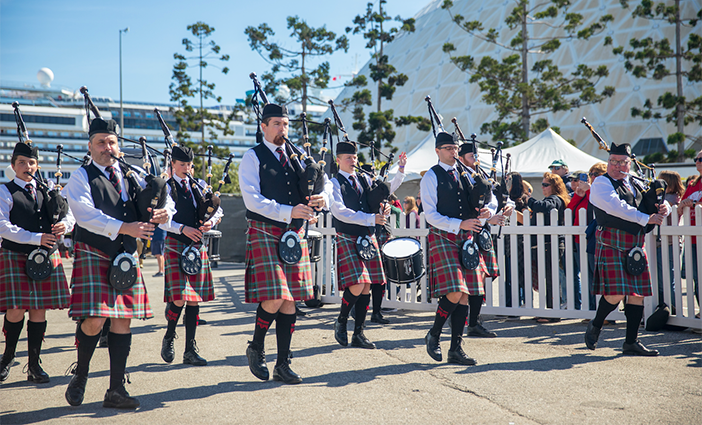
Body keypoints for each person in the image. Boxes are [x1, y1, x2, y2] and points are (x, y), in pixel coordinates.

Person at [62, 118, 174, 408]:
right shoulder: (81, 176)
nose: (107, 148)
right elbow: (84, 215)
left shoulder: (131, 174)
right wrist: (126, 228)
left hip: (125, 256)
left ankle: (115, 391)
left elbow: (164, 196)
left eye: (111, 142)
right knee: (96, 320)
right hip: (94, 251)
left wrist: (164, 213)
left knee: (122, 320)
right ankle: (82, 374)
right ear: (90, 146)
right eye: (101, 142)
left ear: (118, 147)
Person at [239, 103, 329, 384]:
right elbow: (252, 199)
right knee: (277, 295)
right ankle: (256, 346)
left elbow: (316, 187)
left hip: (295, 232)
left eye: (285, 124)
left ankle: (283, 363)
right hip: (266, 230)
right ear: (263, 127)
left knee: (290, 301)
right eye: (276, 124)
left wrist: (321, 200)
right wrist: (287, 211)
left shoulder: (298, 157)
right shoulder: (252, 157)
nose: (282, 129)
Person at [584, 142, 669, 356]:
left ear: (629, 163)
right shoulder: (602, 183)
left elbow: (649, 203)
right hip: (612, 240)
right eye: (612, 161)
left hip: (634, 242)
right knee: (615, 294)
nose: (616, 165)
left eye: (621, 162)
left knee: (637, 293)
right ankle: (596, 324)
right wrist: (645, 218)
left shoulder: (634, 182)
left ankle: (631, 342)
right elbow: (617, 207)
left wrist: (663, 207)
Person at [0, 143, 75, 384]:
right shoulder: (5, 190)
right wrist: (35, 238)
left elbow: (68, 212)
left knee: (38, 311)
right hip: (16, 254)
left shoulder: (48, 189)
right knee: (15, 309)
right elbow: (3, 226)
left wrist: (67, 225)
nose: (27, 167)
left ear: (37, 166)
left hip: (46, 255)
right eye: (22, 163)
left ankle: (34, 364)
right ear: (13, 166)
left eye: (31, 163)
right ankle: (8, 357)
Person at [420, 132, 493, 366]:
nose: (453, 152)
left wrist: (487, 211)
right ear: (438, 151)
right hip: (444, 235)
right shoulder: (431, 176)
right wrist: (457, 224)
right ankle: (434, 333)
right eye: (448, 148)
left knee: (465, 295)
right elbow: (430, 214)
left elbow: (489, 198)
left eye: (455, 148)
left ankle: (455, 349)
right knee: (454, 291)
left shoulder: (468, 173)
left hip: (467, 236)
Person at [159, 145, 223, 367]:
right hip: (177, 243)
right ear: (173, 166)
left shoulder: (201, 186)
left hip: (196, 246)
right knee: (179, 298)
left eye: (189, 165)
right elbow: (162, 220)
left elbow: (218, 211)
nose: (187, 169)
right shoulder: (165, 188)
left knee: (194, 298)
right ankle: (169, 336)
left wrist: (209, 222)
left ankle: (190, 349)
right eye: (182, 165)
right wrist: (182, 228)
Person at [331, 140, 389, 349]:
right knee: (357, 284)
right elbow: (339, 211)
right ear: (338, 160)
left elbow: (377, 199)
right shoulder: (334, 183)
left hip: (367, 236)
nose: (353, 161)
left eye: (355, 157)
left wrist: (383, 209)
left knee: (367, 286)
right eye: (348, 157)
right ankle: (341, 320)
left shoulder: (364, 178)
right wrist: (370, 219)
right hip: (348, 235)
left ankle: (359, 334)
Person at [456, 141, 502, 337]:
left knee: (479, 279)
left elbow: (493, 199)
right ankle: (460, 320)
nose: (475, 159)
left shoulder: (480, 174)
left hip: (480, 231)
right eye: (471, 156)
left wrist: (489, 212)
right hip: (464, 231)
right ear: (461, 157)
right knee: (464, 283)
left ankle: (473, 322)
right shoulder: (459, 175)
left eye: (476, 156)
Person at [363, 154, 407, 325]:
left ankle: (376, 312)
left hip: (382, 233)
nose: (374, 177)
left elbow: (395, 183)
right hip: (366, 234)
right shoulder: (362, 189)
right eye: (371, 175)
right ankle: (358, 308)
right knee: (364, 277)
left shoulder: (380, 189)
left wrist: (401, 167)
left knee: (381, 276)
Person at [528, 172, 570, 321]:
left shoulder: (556, 199)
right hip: (547, 244)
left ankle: (553, 313)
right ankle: (549, 310)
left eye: (546, 184)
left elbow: (544, 206)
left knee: (552, 278)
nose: (543, 187)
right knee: (548, 278)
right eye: (543, 184)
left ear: (554, 186)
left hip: (551, 244)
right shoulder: (554, 198)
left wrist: (529, 200)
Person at [655, 170, 684, 308]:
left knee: (666, 280)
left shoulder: (671, 199)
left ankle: (672, 307)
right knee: (662, 279)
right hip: (663, 243)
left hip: (669, 243)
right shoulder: (670, 198)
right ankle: (666, 307)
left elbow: (663, 208)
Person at [503, 172, 529, 308]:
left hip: (519, 241)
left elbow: (527, 219)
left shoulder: (523, 198)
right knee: (507, 274)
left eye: (509, 180)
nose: (506, 183)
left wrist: (512, 210)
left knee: (520, 273)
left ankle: (523, 302)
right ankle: (509, 304)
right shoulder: (502, 198)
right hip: (505, 239)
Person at [679, 149, 702, 306]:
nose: (698, 161)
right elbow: (680, 207)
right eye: (696, 158)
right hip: (692, 238)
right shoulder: (693, 184)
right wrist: (682, 205)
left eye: (701, 158)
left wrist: (693, 204)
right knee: (696, 277)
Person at [567, 170, 590, 311]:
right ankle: (586, 306)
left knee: (591, 275)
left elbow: (595, 206)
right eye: (573, 180)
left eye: (578, 180)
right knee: (582, 273)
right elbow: (569, 212)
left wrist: (588, 191)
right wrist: (577, 195)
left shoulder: (592, 193)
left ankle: (592, 307)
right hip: (576, 240)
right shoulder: (578, 195)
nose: (575, 183)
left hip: (589, 239)